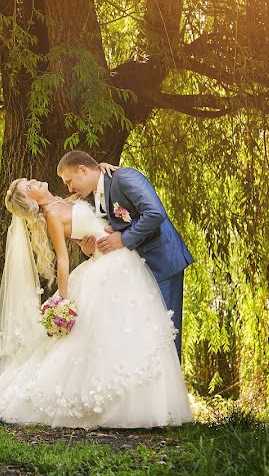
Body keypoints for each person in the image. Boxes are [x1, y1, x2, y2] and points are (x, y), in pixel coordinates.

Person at [0, 170, 192, 428]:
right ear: (32, 200)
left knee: (132, 328)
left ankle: (150, 400)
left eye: (30, 180)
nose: (35, 181)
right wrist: (62, 300)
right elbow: (63, 259)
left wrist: (101, 168)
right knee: (111, 333)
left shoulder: (64, 200)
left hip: (119, 259)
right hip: (109, 265)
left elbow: (89, 221)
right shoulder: (53, 214)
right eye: (29, 185)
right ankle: (115, 405)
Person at [57, 151, 193, 358]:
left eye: (69, 181)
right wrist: (90, 247)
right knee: (147, 333)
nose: (69, 188)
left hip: (161, 263)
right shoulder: (98, 193)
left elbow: (154, 213)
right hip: (138, 269)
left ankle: (170, 389)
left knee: (166, 330)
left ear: (82, 170)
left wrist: (123, 239)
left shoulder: (124, 177)